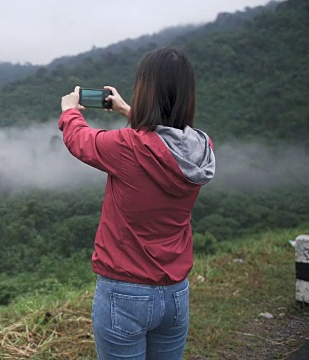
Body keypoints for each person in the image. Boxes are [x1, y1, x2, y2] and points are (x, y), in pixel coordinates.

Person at [58, 47, 215, 360]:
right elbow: (161, 140)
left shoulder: (126, 147)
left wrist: (69, 110)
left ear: (146, 90)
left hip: (124, 292)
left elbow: (81, 140)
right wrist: (126, 110)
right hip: (175, 293)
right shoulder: (201, 149)